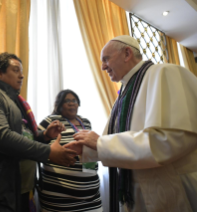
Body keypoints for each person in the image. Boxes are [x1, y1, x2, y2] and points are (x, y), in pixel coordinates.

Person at [65, 35, 197, 212]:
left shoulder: (166, 73)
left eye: (106, 59)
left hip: (172, 187)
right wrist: (86, 149)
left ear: (127, 53)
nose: (103, 66)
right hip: (135, 192)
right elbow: (114, 140)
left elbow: (171, 141)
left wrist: (100, 143)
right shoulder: (124, 93)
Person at [0, 52, 77, 212]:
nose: (21, 76)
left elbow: (24, 138)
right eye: (16, 70)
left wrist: (45, 136)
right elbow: (3, 139)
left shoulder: (16, 102)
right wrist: (48, 151)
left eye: (22, 71)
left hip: (19, 188)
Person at [38, 89, 102, 212]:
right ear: (59, 104)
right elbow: (35, 144)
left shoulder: (86, 122)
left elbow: (90, 151)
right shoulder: (51, 121)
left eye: (74, 100)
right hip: (59, 199)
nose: (72, 103)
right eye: (67, 100)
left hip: (91, 196)